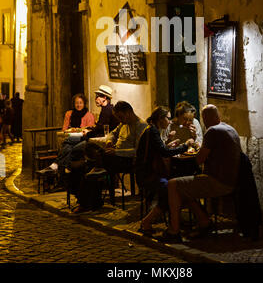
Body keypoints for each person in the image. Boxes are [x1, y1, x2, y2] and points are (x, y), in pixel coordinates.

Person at [161, 104, 242, 243]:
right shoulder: (230, 128)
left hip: (217, 181)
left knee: (173, 184)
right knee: (184, 187)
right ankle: (204, 221)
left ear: (204, 119)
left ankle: (174, 230)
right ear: (218, 116)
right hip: (233, 179)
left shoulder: (212, 131)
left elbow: (199, 160)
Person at [71, 101, 147, 213]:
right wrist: (110, 142)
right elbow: (113, 133)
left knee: (88, 167)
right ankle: (91, 199)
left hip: (126, 160)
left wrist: (117, 152)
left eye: (121, 117)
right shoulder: (123, 124)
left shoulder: (141, 126)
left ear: (128, 112)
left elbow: (137, 151)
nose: (120, 120)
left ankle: (86, 203)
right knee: (88, 151)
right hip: (112, 155)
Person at [135, 106, 194, 236]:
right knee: (171, 190)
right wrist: (185, 146)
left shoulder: (152, 130)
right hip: (148, 174)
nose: (170, 121)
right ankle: (149, 222)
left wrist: (168, 144)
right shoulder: (152, 131)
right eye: (168, 118)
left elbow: (159, 150)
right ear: (160, 119)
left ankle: (170, 221)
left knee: (171, 189)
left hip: (147, 172)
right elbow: (164, 153)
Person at [37, 93, 95, 175]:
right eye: (76, 103)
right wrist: (71, 131)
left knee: (67, 145)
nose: (78, 105)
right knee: (68, 146)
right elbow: (64, 129)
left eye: (80, 103)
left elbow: (89, 130)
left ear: (84, 103)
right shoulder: (69, 114)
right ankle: (64, 168)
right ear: (73, 104)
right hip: (70, 138)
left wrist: (79, 131)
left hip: (82, 139)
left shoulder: (89, 115)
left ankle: (56, 165)